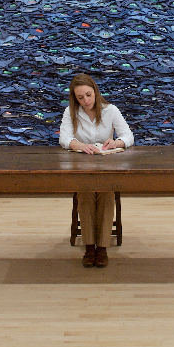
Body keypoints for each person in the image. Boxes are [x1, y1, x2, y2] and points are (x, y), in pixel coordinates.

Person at [59, 73, 134, 268]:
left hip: (106, 166)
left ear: (95, 92)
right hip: (82, 166)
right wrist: (80, 145)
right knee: (85, 195)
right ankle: (89, 247)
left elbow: (128, 136)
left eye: (88, 95)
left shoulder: (110, 110)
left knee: (106, 196)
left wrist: (116, 142)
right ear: (75, 98)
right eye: (80, 97)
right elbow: (64, 139)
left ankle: (102, 248)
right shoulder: (70, 112)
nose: (86, 101)